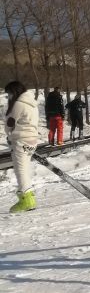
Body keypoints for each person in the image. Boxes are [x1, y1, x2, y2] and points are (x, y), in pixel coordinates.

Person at [4, 81, 39, 212]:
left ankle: (27, 199)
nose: (9, 97)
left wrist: (9, 133)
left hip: (21, 140)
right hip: (32, 139)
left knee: (21, 171)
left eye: (9, 94)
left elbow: (10, 123)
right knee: (24, 169)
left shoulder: (18, 104)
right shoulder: (32, 103)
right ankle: (26, 197)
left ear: (14, 92)